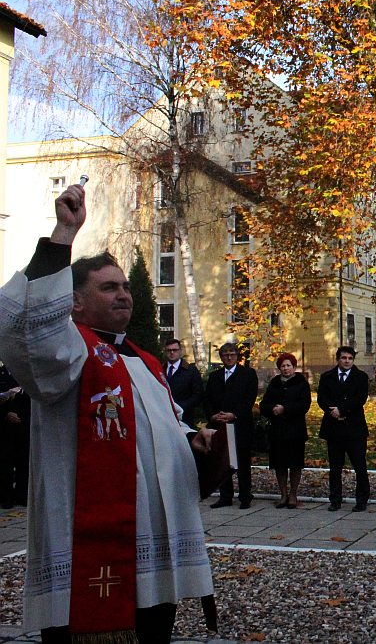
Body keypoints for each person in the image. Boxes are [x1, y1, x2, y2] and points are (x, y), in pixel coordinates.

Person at [0, 182, 213, 642]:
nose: (124, 295)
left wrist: (191, 439)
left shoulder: (143, 360)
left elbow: (165, 425)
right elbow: (25, 334)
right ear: (72, 301)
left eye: (125, 287)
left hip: (150, 540)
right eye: (108, 287)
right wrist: (63, 234)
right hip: (89, 539)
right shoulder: (67, 349)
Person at [205, 342, 259, 509]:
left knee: (242, 461)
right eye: (225, 354)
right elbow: (207, 398)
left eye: (232, 354)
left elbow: (249, 398)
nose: (229, 357)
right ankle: (225, 496)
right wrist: (213, 415)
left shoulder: (248, 374)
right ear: (221, 357)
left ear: (237, 356)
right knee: (222, 460)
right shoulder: (215, 376)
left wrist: (234, 414)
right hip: (220, 423)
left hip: (240, 424)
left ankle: (245, 496)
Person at [317, 346, 370, 512]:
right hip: (333, 427)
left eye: (350, 358)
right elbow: (321, 398)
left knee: (359, 466)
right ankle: (335, 499)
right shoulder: (327, 377)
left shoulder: (361, 377)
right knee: (335, 467)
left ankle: (361, 499)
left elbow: (360, 398)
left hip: (354, 427)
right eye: (343, 358)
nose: (347, 361)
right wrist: (331, 410)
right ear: (338, 359)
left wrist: (342, 409)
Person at [261, 352, 311, 509]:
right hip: (277, 431)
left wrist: (286, 409)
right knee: (280, 463)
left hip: (295, 430)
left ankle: (293, 495)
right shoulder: (274, 383)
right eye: (283, 366)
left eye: (289, 365)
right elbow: (264, 404)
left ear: (294, 367)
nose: (286, 368)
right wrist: (273, 409)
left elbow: (304, 405)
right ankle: (283, 494)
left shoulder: (301, 383)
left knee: (295, 464)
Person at [0, 364, 30, 508]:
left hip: (24, 424)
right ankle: (6, 497)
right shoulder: (2, 373)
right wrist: (5, 413)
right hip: (5, 427)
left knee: (24, 463)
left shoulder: (27, 373)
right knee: (6, 463)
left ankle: (22, 495)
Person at [163, 337, 204, 428]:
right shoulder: (160, 370)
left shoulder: (190, 371)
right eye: (169, 350)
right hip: (164, 416)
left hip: (184, 417)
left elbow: (198, 395)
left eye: (175, 350)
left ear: (180, 351)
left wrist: (180, 406)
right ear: (165, 352)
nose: (172, 352)